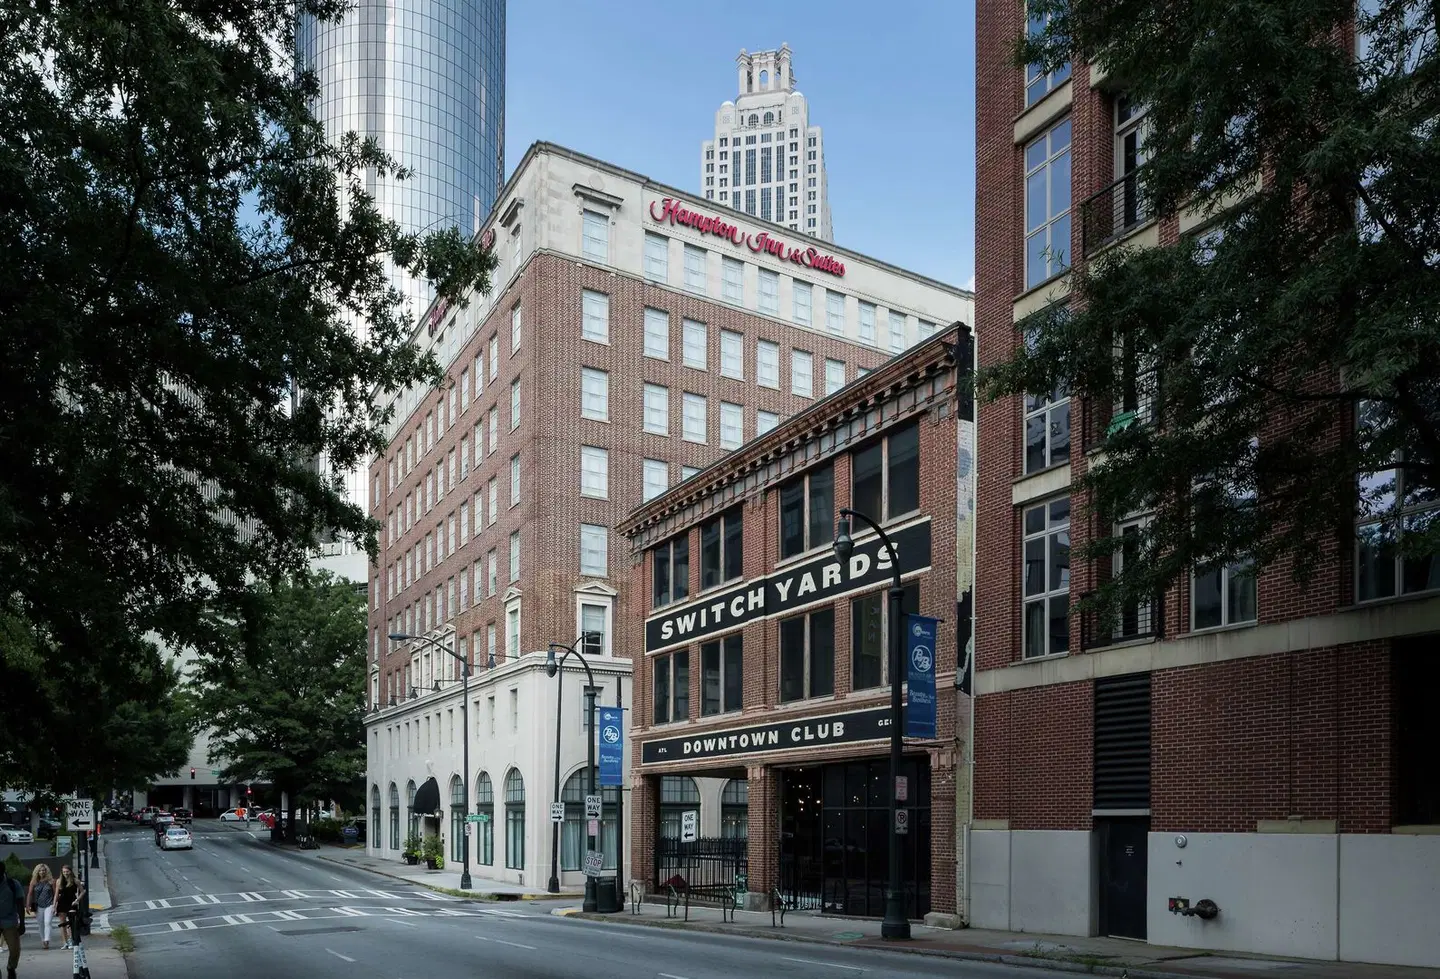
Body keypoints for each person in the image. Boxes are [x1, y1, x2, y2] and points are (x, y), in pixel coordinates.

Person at [0, 860, 24, 979]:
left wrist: (22, 923)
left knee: (14, 949)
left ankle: (11, 967)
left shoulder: (13, 884)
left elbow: (20, 903)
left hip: (9, 920)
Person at [25, 865, 54, 950]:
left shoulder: (51, 881)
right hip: (38, 905)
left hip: (49, 904)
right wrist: (27, 905)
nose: (42, 872)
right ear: (37, 872)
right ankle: (43, 940)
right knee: (40, 923)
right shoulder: (34, 882)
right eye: (40, 871)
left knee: (47, 922)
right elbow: (30, 894)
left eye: (44, 870)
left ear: (47, 871)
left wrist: (55, 904)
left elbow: (55, 893)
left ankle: (47, 940)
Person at [54, 866, 82, 950]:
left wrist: (77, 900)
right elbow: (56, 894)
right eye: (64, 872)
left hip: (71, 902)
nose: (66, 873)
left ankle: (71, 940)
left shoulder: (75, 880)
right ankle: (65, 942)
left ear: (70, 871)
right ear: (62, 872)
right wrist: (54, 906)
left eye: (67, 871)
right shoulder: (59, 881)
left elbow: (82, 891)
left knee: (71, 923)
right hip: (62, 902)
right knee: (62, 924)